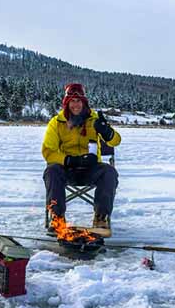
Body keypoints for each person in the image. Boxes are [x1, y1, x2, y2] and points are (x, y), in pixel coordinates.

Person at [42, 83, 121, 231]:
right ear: (67, 103)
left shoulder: (94, 119)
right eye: (72, 100)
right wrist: (70, 160)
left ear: (84, 102)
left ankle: (101, 218)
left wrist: (106, 131)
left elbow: (116, 141)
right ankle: (57, 218)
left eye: (79, 101)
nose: (76, 104)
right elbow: (48, 151)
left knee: (109, 172)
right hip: (67, 169)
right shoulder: (56, 123)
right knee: (51, 171)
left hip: (91, 170)